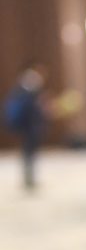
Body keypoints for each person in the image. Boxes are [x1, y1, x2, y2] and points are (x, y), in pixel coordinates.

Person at [4, 60, 49, 191]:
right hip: (30, 124)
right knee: (29, 151)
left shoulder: (24, 82)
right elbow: (32, 105)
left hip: (27, 124)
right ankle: (29, 178)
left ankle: (29, 177)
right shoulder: (32, 81)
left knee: (28, 151)